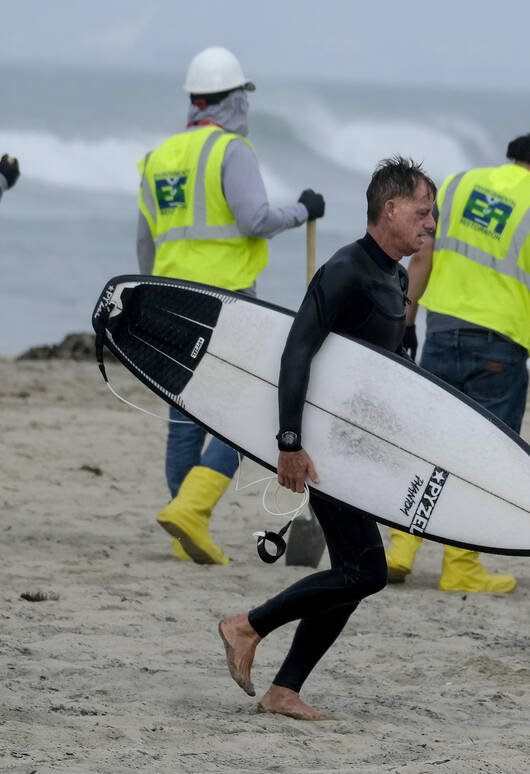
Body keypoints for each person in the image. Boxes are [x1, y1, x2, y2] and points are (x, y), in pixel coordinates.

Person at [217, 156, 437, 721]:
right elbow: (296, 350)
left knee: (356, 572)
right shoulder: (346, 270)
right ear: (389, 210)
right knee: (365, 571)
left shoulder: (393, 274)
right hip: (323, 446)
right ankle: (247, 626)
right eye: (422, 211)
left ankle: (284, 689)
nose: (430, 223)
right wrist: (289, 442)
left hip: (358, 446)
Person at [382, 124, 530, 593]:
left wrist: (406, 322)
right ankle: (460, 565)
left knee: (428, 442)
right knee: (485, 456)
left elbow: (421, 257)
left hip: (442, 332)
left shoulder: (457, 186)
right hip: (500, 347)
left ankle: (401, 548)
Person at [138, 46, 324, 565]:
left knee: (185, 410)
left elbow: (145, 243)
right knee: (247, 412)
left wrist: (153, 297)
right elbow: (255, 219)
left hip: (171, 300)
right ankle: (193, 510)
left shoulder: (160, 157)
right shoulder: (230, 151)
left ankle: (184, 526)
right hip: (226, 304)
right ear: (234, 99)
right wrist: (303, 209)